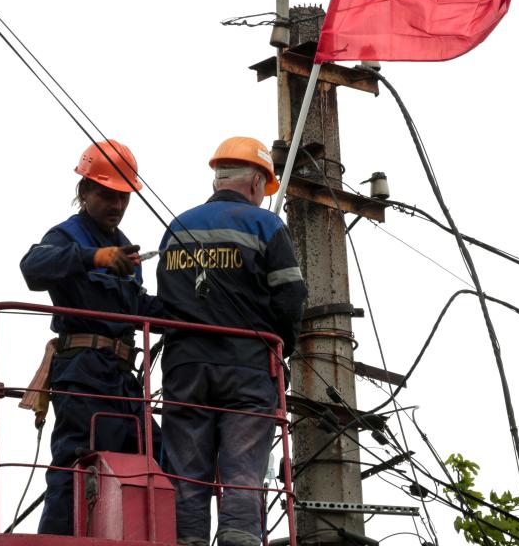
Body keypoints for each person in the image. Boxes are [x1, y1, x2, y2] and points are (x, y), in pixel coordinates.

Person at [156, 136, 307, 546]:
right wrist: (282, 348)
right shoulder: (266, 225)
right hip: (246, 369)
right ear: (257, 182)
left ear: (217, 178)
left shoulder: (177, 227)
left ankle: (187, 540)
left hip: (184, 367)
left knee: (187, 469)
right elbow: (291, 297)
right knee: (243, 466)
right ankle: (239, 537)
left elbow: (167, 299)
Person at [19, 139, 162, 535]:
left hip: (119, 376)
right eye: (107, 195)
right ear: (84, 192)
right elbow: (32, 266)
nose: (116, 205)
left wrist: (191, 309)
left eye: (123, 197)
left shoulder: (122, 249)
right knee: (76, 460)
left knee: (156, 450)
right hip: (82, 373)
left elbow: (135, 308)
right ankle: (55, 542)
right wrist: (91, 259)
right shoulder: (68, 235)